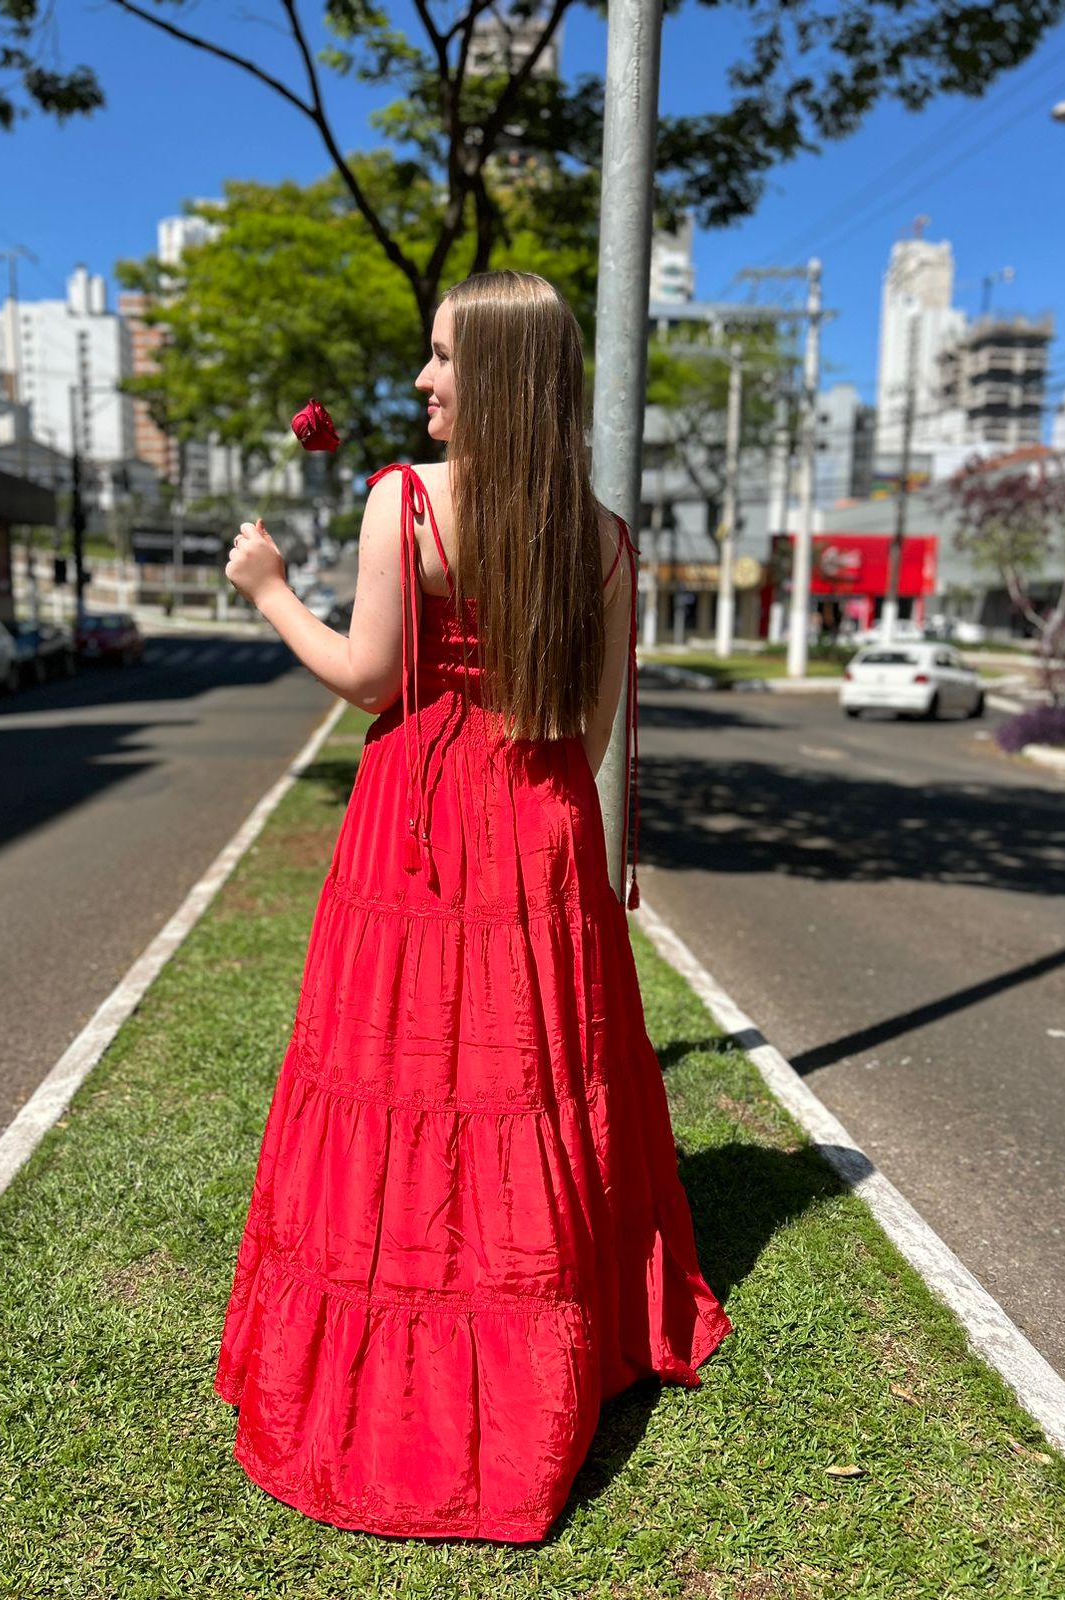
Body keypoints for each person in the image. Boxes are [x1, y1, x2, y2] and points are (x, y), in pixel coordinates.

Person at [216, 270, 732, 1542]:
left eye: (444, 358)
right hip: (546, 825)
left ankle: (407, 1353)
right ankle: (543, 1307)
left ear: (499, 376)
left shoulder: (408, 501)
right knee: (529, 1085)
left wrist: (271, 587)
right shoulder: (605, 539)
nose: (424, 382)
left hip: (426, 826)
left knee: (405, 1078)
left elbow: (368, 676)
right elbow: (593, 728)